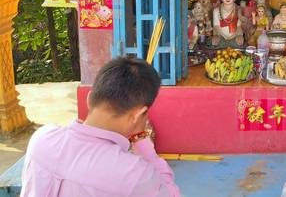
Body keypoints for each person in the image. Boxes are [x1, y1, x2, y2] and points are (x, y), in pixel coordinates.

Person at [21, 57, 180, 197]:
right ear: (139, 114)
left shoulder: (42, 138)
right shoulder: (133, 173)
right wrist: (142, 142)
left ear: (90, 98)